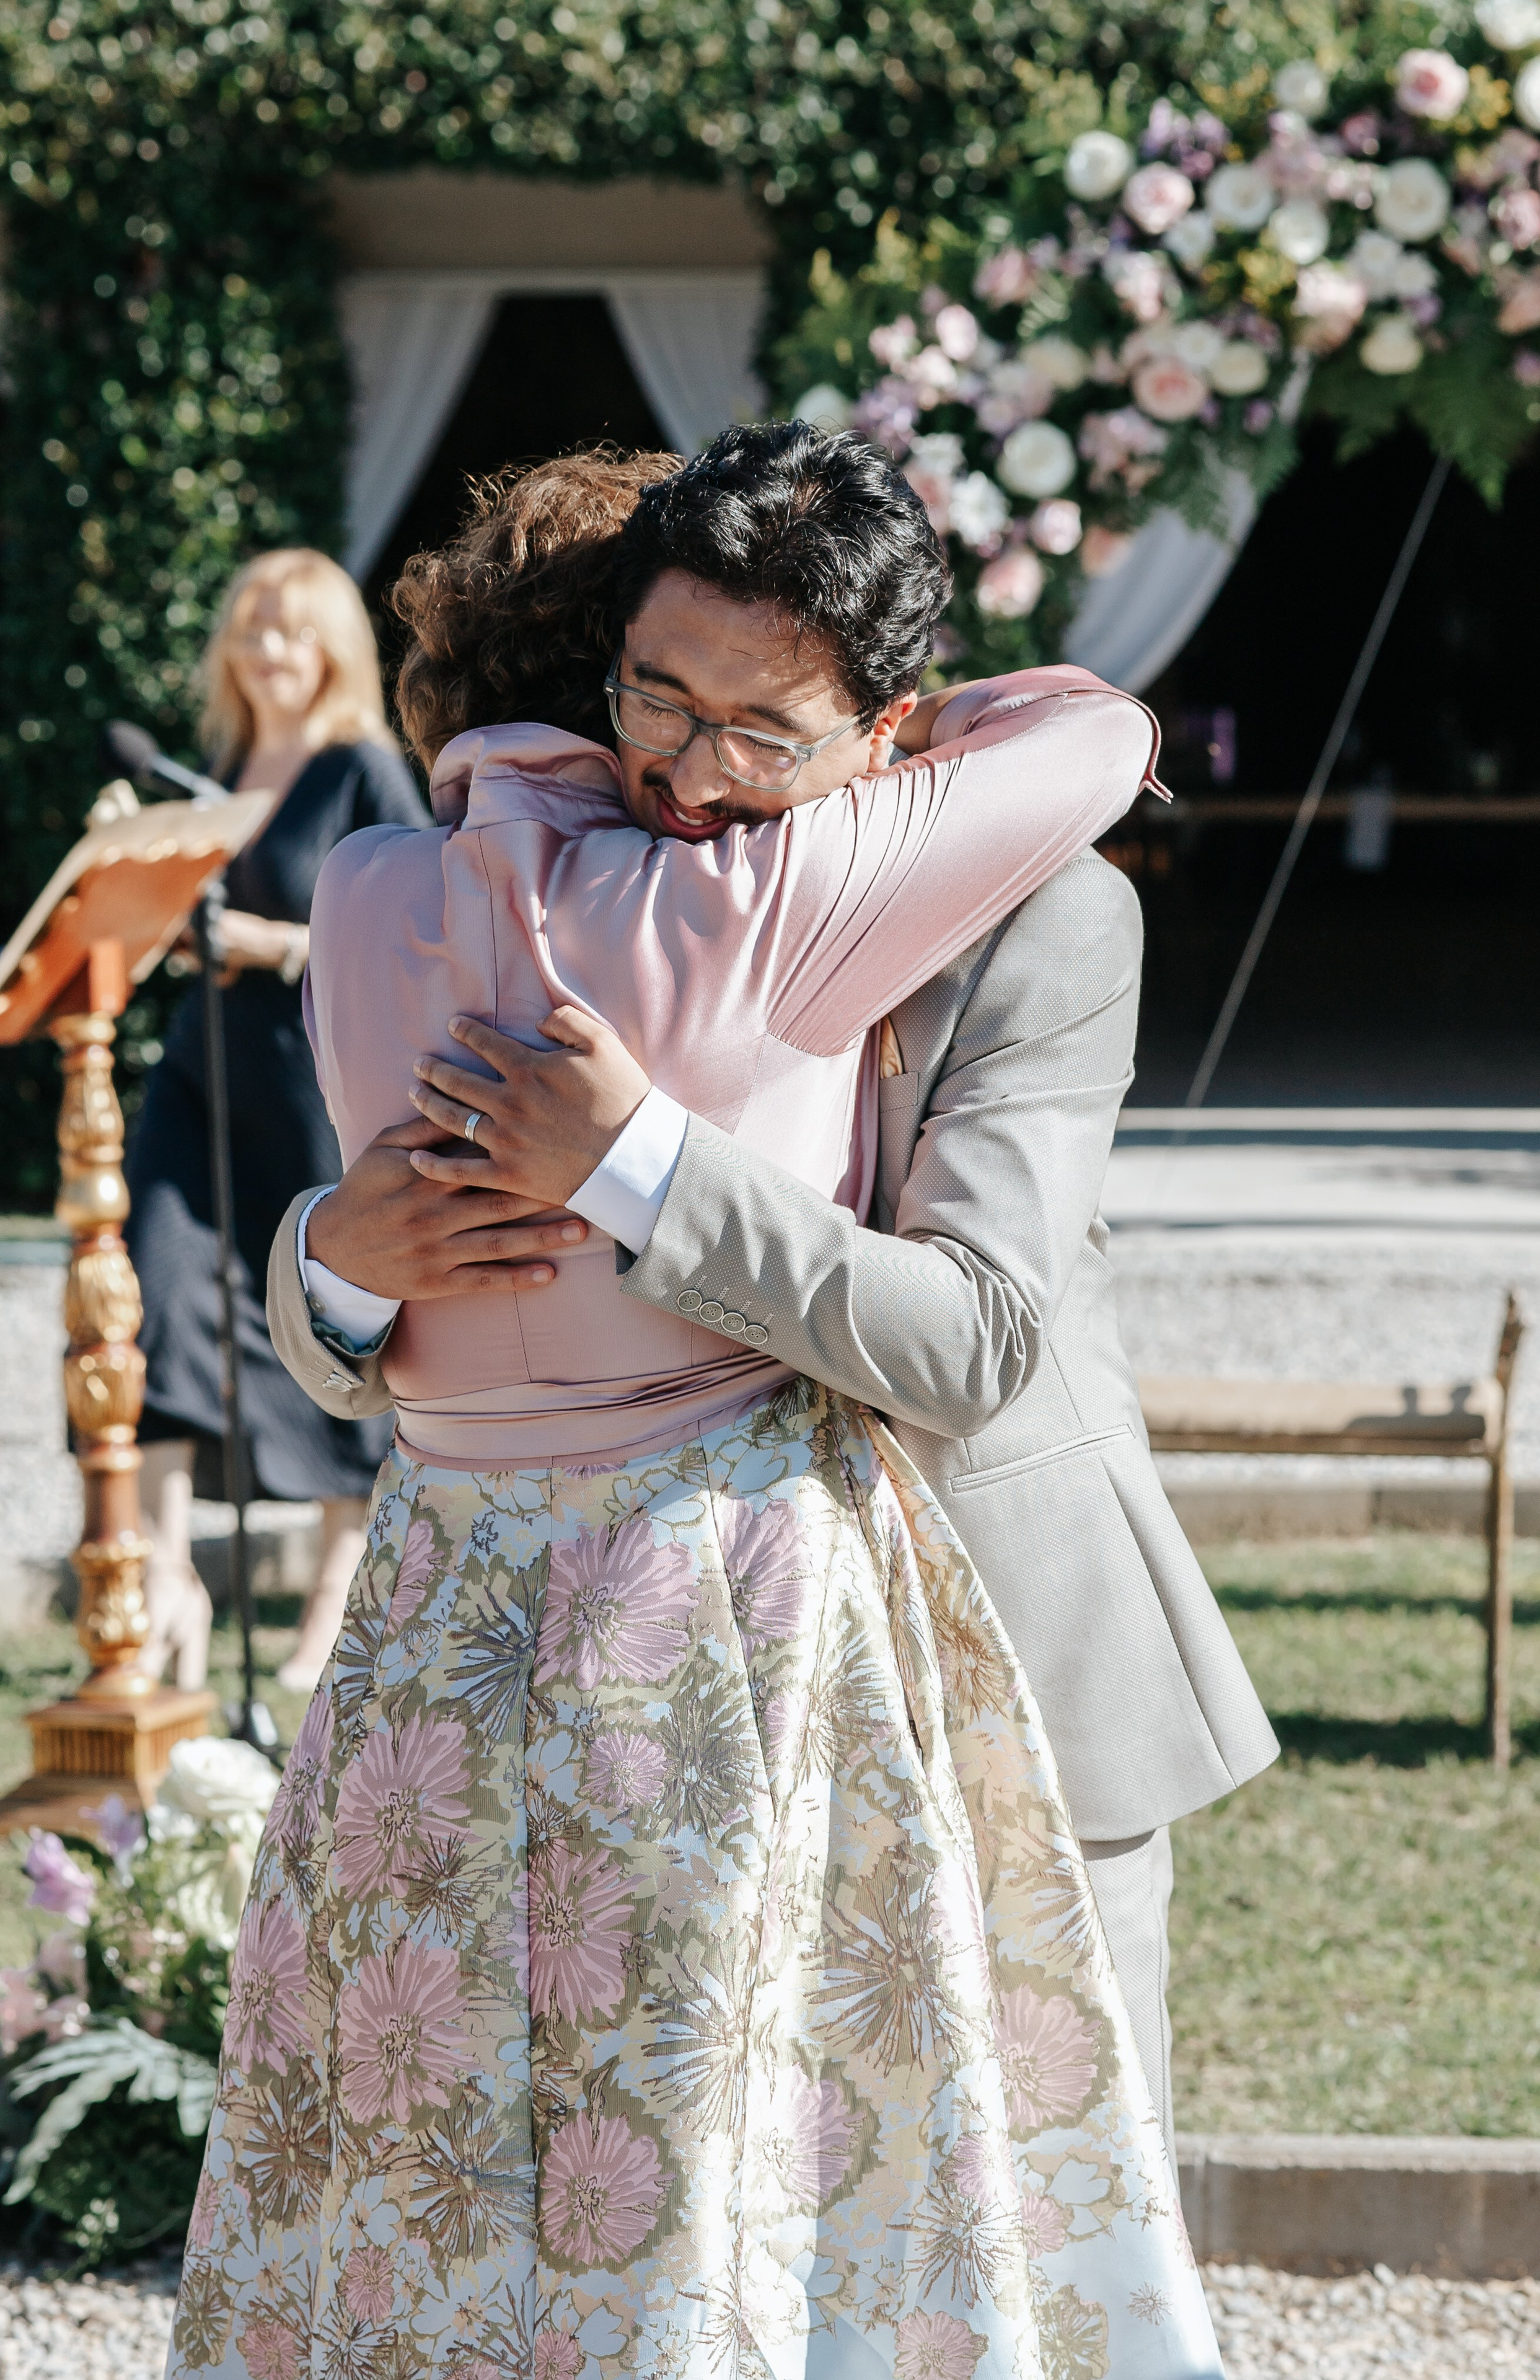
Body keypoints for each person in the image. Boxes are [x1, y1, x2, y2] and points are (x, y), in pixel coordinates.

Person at [170, 431, 1226, 2376]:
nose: (693, 772)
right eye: (656, 695)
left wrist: (639, 1161)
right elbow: (379, 1330)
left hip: (1001, 1656)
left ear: (891, 727)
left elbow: (980, 1336)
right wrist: (345, 1255)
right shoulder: (597, 895)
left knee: (1020, 2281)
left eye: (767, 728)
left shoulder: (1048, 918)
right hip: (668, 1716)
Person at [123, 549, 429, 1695]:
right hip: (201, 1073)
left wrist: (280, 947)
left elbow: (416, 915)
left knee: (333, 1310)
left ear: (333, 648)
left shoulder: (360, 769)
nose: (268, 652)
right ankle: (167, 1575)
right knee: (155, 1284)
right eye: (251, 629)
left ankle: (331, 1605)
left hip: (311, 1076)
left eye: (292, 632)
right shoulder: (220, 766)